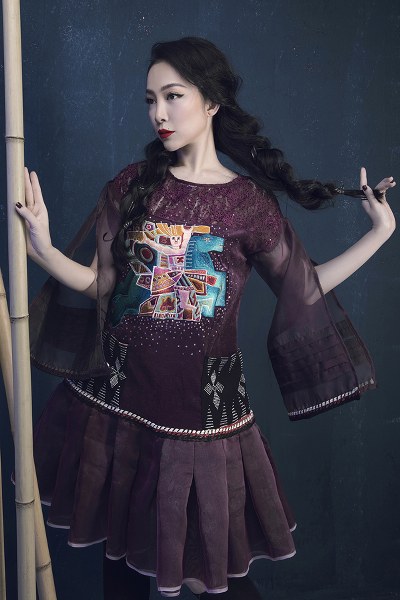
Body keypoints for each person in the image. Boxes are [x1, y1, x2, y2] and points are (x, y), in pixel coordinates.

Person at [16, 37, 395, 599]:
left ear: (212, 102)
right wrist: (44, 250)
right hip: (116, 399)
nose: (159, 114)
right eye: (151, 100)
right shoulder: (131, 184)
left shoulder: (250, 205)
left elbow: (304, 286)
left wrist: (380, 235)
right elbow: (103, 286)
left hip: (196, 413)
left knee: (206, 575)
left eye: (173, 96)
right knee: (120, 562)